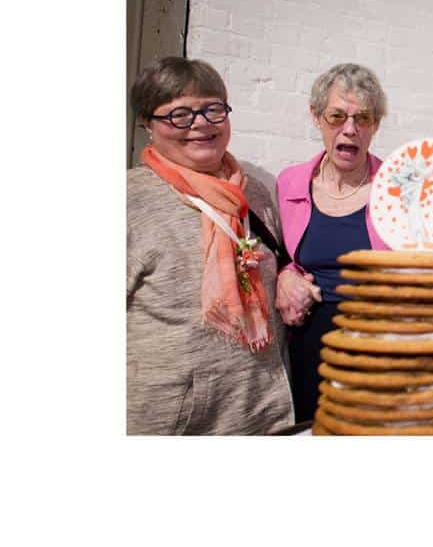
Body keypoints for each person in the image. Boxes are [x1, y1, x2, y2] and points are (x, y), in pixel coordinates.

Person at [127, 57, 293, 435]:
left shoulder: (254, 193)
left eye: (212, 109)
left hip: (262, 412)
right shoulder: (129, 200)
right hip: (174, 423)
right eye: (179, 115)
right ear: (148, 126)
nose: (200, 124)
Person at [275, 63, 389, 423]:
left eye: (363, 119)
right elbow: (281, 256)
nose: (350, 130)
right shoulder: (290, 183)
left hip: (375, 352)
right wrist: (285, 277)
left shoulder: (398, 190)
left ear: (376, 125)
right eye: (337, 116)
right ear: (317, 117)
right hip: (309, 348)